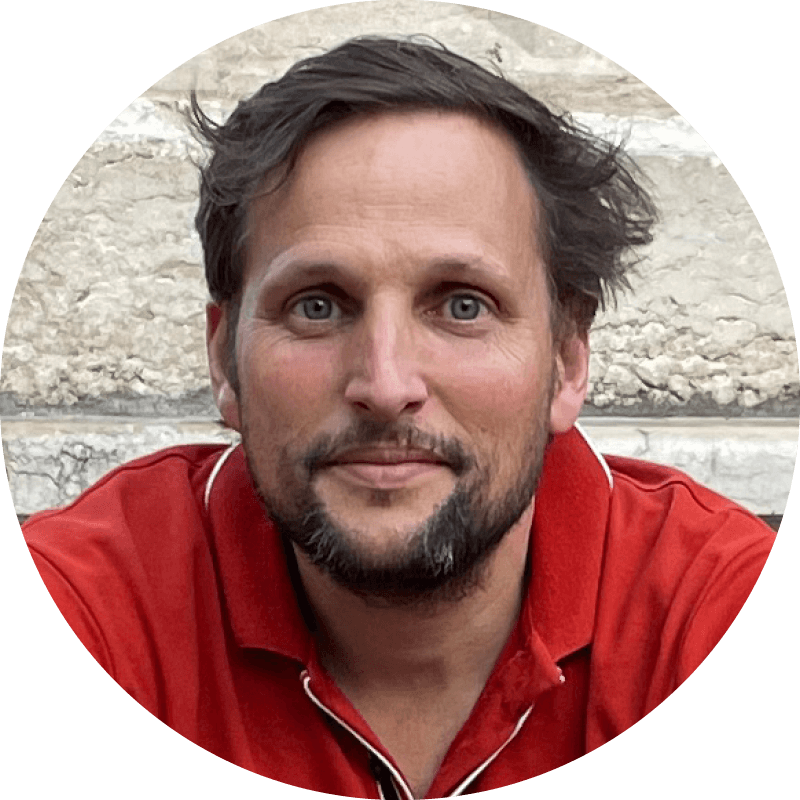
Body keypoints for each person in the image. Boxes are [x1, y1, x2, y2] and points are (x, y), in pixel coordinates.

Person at [22, 36, 775, 798]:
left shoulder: (708, 610)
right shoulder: (98, 603)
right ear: (224, 361)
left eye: (463, 306)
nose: (385, 386)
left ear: (566, 360)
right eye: (317, 307)